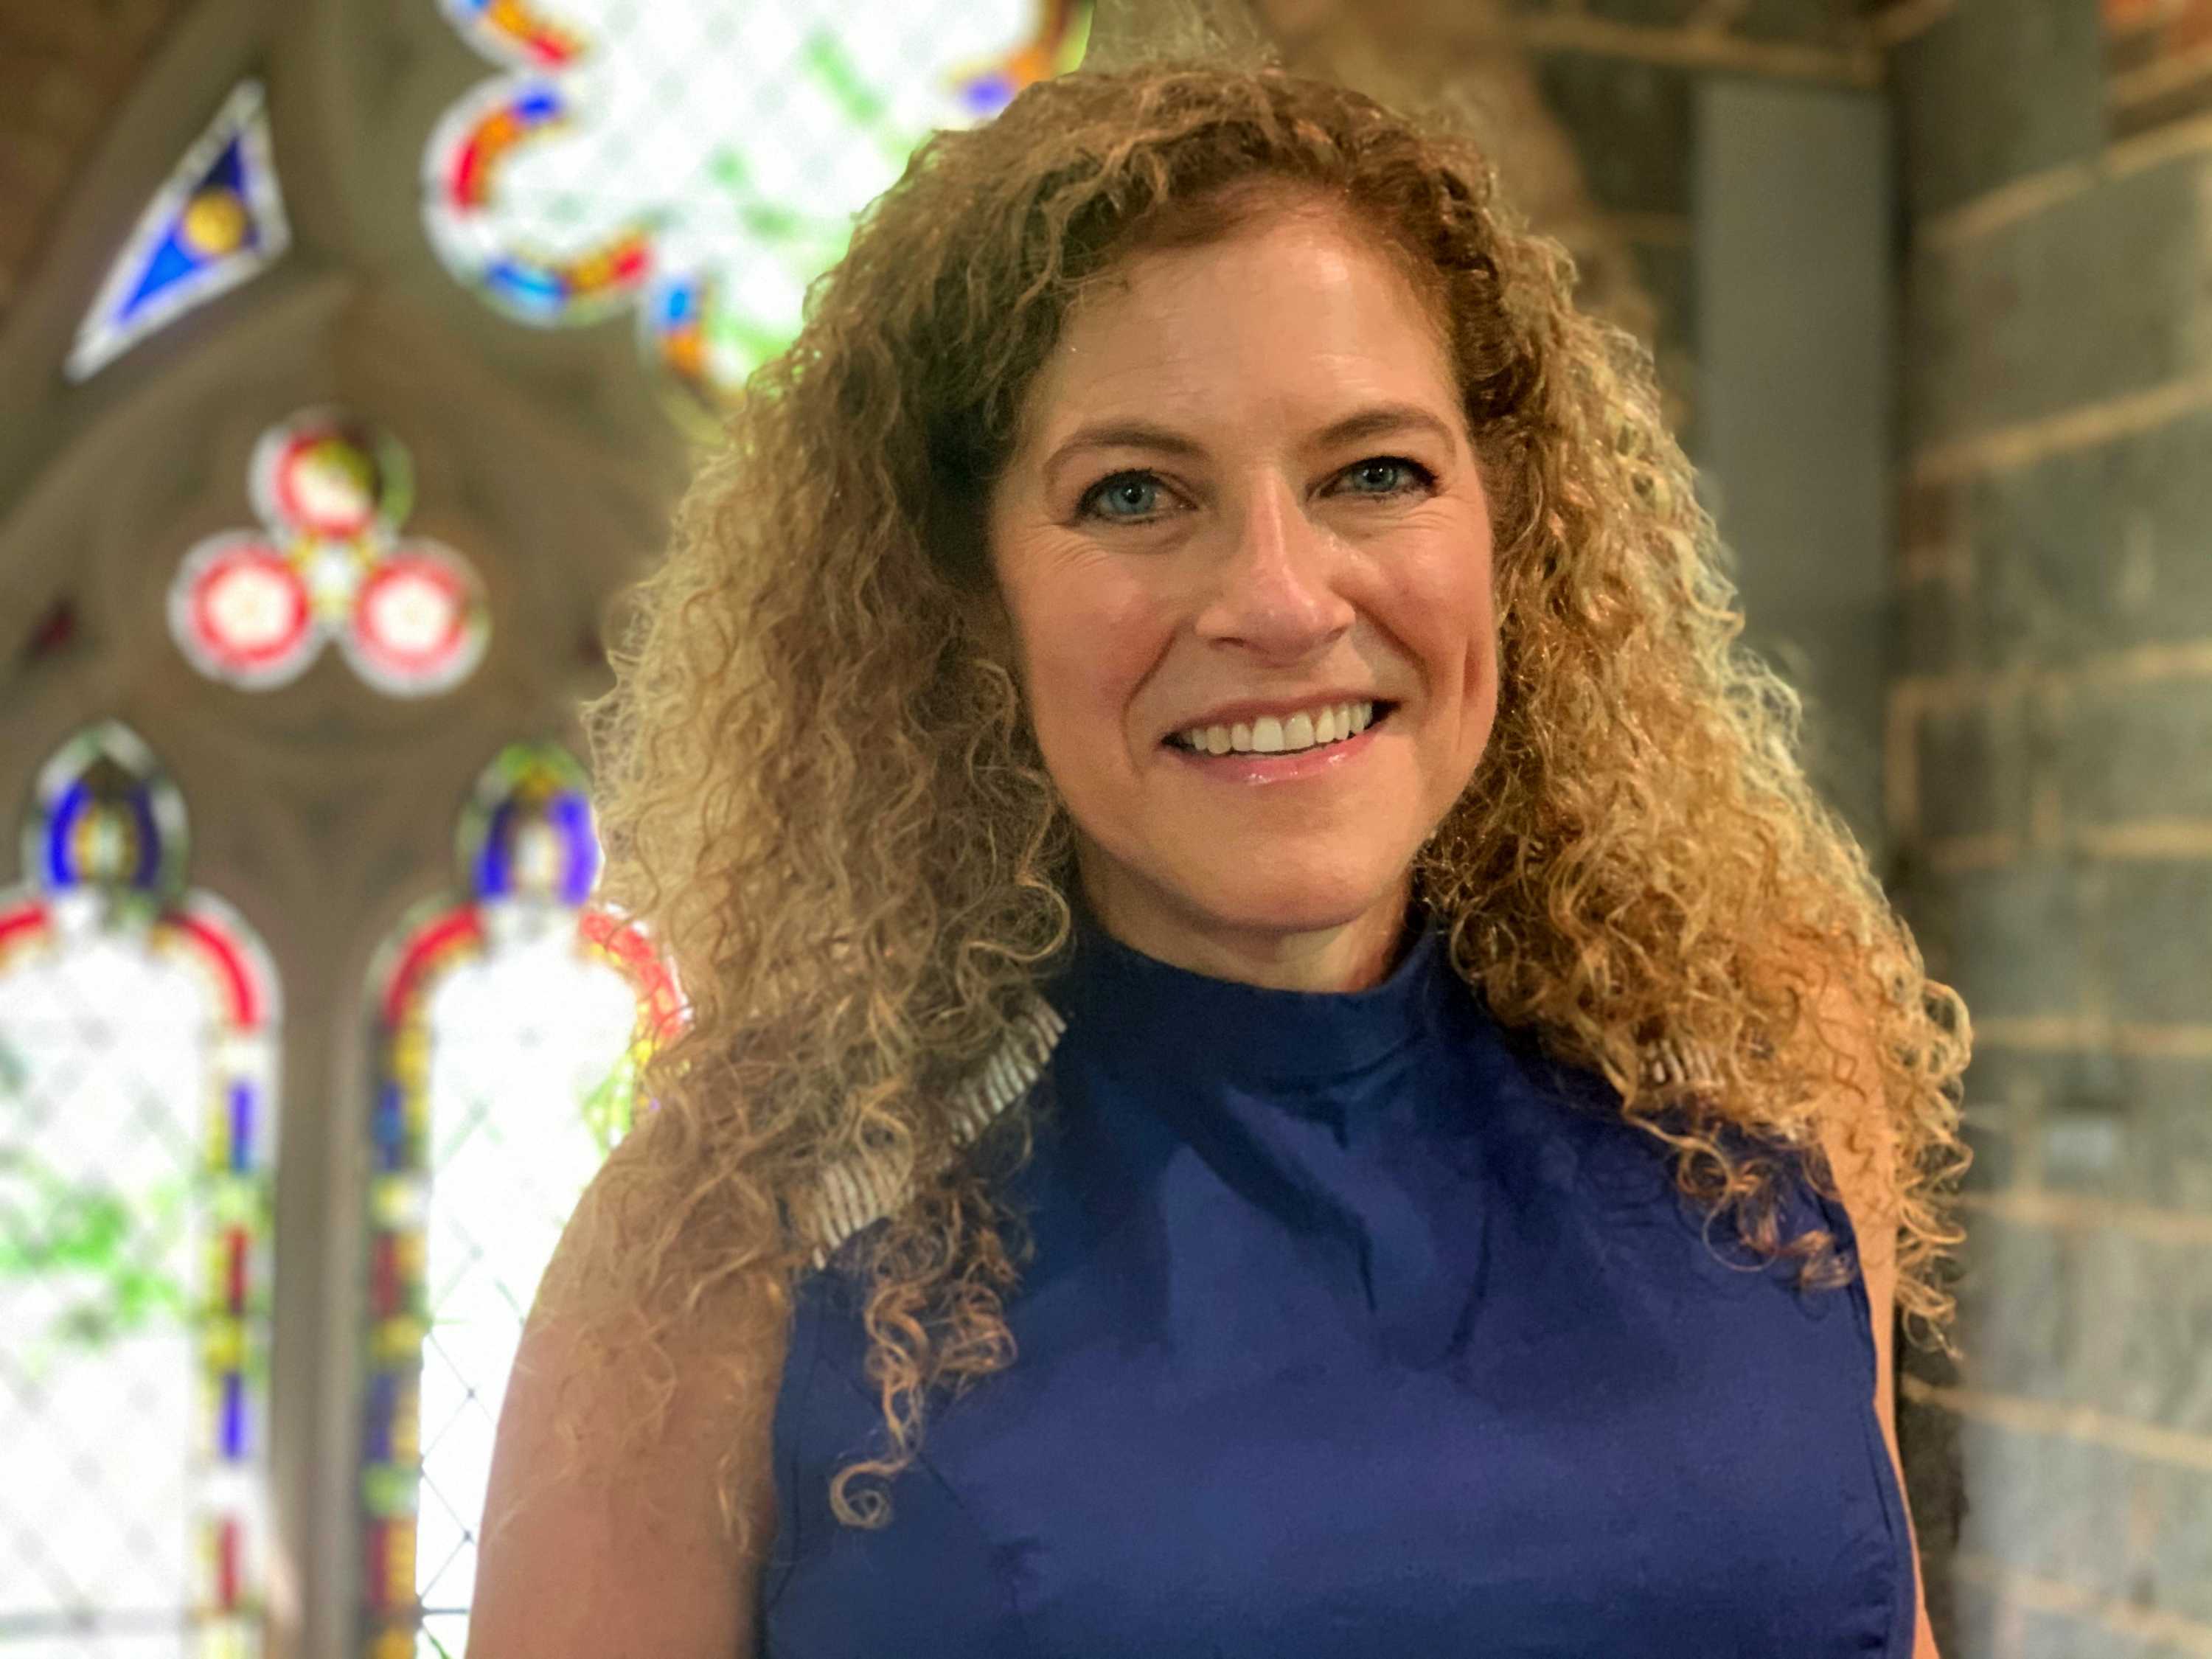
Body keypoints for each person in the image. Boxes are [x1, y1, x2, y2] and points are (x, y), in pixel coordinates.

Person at [466, 56, 1969, 1659]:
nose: (1280, 598)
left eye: (1373, 473)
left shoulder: (1757, 1086)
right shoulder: (748, 1226)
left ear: (1505, 528)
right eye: (1134, 495)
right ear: (967, 595)